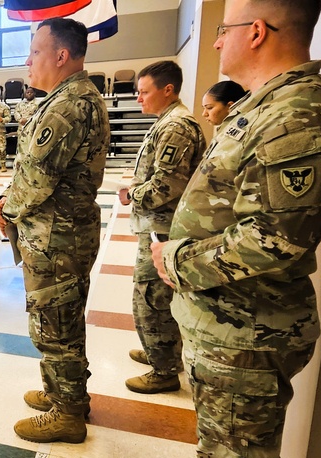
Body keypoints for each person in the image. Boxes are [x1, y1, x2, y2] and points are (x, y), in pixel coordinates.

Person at [152, 0, 321, 458]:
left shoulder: (296, 114)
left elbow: (276, 238)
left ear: (257, 31)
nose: (218, 40)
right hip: (230, 326)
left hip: (248, 334)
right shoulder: (266, 105)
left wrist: (177, 261)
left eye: (224, 29)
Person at [0, 17, 109, 443]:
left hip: (57, 236)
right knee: (57, 319)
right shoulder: (72, 98)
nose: (28, 61)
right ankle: (61, 392)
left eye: (35, 51)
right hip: (62, 231)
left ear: (61, 55)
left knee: (55, 324)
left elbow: (38, 179)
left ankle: (68, 413)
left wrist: (8, 207)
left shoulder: (67, 105)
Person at [116, 60, 206, 395]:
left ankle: (163, 368)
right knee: (158, 295)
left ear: (167, 89)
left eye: (144, 92)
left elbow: (167, 185)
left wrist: (132, 193)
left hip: (163, 226)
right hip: (160, 223)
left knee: (150, 297)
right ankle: (164, 350)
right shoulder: (168, 121)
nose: (139, 99)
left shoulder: (176, 127)